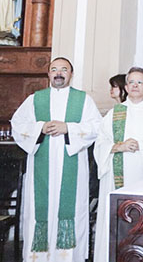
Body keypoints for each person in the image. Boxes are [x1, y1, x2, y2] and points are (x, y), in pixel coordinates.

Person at [11, 57, 101, 262]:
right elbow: (18, 124)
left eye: (64, 70)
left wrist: (68, 128)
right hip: (41, 167)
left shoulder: (83, 100)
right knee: (40, 210)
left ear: (71, 74)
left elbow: (96, 127)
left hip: (72, 165)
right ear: (48, 74)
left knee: (70, 210)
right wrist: (40, 128)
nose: (59, 73)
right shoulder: (36, 99)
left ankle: (68, 258)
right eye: (54, 69)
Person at [93, 67, 143, 262]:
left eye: (140, 82)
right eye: (131, 82)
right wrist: (117, 147)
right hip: (117, 174)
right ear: (126, 87)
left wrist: (142, 145)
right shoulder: (115, 113)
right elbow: (100, 142)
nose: (135, 86)